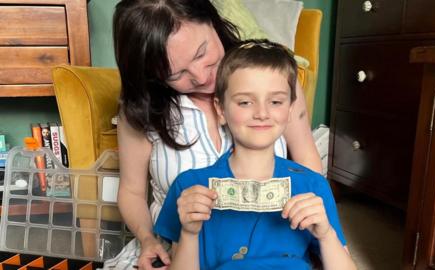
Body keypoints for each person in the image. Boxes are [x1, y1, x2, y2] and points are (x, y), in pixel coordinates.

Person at [106, 0, 325, 269]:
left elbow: (307, 162)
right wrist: (147, 239)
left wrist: (321, 233)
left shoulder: (271, 77)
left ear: (212, 21)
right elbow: (131, 191)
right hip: (178, 250)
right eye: (176, 73)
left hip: (268, 247)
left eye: (201, 53)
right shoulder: (143, 109)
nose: (199, 77)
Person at [154, 40, 356, 270]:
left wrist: (326, 234)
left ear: (290, 109)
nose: (261, 113)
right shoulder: (190, 186)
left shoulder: (312, 186)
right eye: (245, 102)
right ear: (221, 110)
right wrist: (189, 233)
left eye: (276, 101)